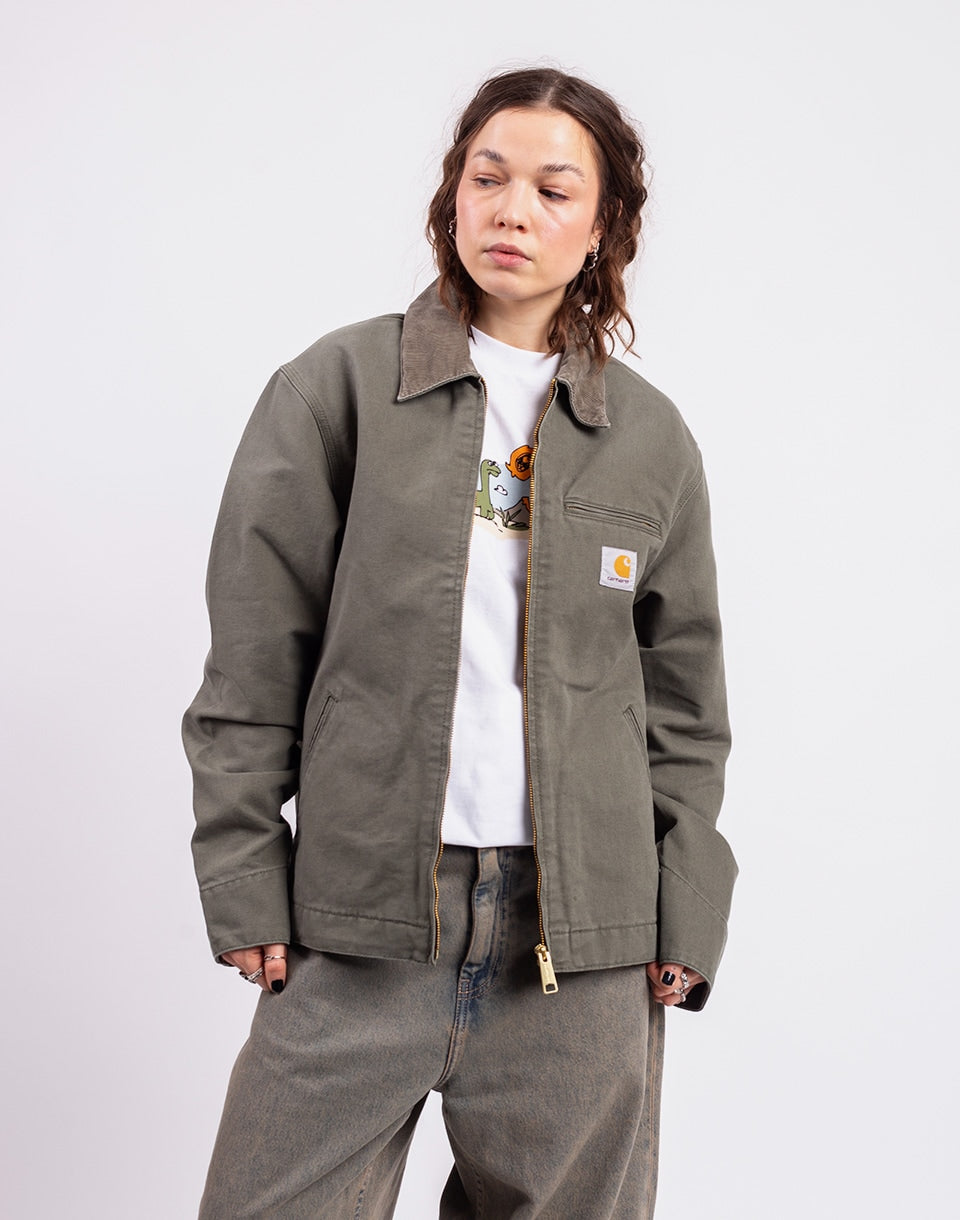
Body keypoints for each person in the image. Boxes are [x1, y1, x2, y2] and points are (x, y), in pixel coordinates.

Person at [183, 66, 737, 1219]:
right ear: (453, 197)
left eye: (552, 189)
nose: (511, 210)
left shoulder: (650, 440)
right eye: (488, 178)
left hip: (582, 944)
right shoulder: (338, 387)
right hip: (361, 918)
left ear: (603, 226)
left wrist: (686, 904)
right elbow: (253, 653)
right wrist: (243, 873)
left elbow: (684, 706)